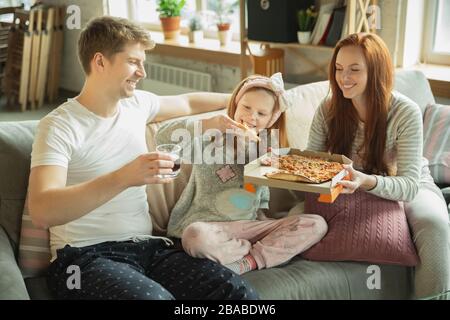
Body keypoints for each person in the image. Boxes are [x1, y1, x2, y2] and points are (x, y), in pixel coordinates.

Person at [28, 16, 258, 300]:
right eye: (134, 62)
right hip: (83, 258)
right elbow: (42, 209)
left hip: (148, 248)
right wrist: (124, 177)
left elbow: (188, 102)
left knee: (236, 292)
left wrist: (245, 97)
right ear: (100, 62)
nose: (142, 72)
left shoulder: (137, 105)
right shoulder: (59, 125)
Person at [307, 32, 449, 299]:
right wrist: (283, 162)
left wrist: (365, 181)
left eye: (354, 70)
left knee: (435, 224)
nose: (343, 78)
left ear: (376, 72)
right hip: (352, 186)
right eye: (338, 69)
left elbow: (408, 186)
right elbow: (311, 163)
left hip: (409, 183)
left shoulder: (404, 112)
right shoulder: (328, 109)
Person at [156, 73, 328, 275]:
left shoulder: (266, 150)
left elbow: (259, 198)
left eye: (261, 114)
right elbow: (163, 136)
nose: (251, 117)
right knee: (195, 236)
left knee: (316, 224)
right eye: (246, 107)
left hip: (246, 227)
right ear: (235, 105)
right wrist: (207, 124)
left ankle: (248, 262)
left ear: (270, 120)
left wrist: (264, 222)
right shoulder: (209, 140)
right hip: (207, 227)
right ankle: (252, 251)